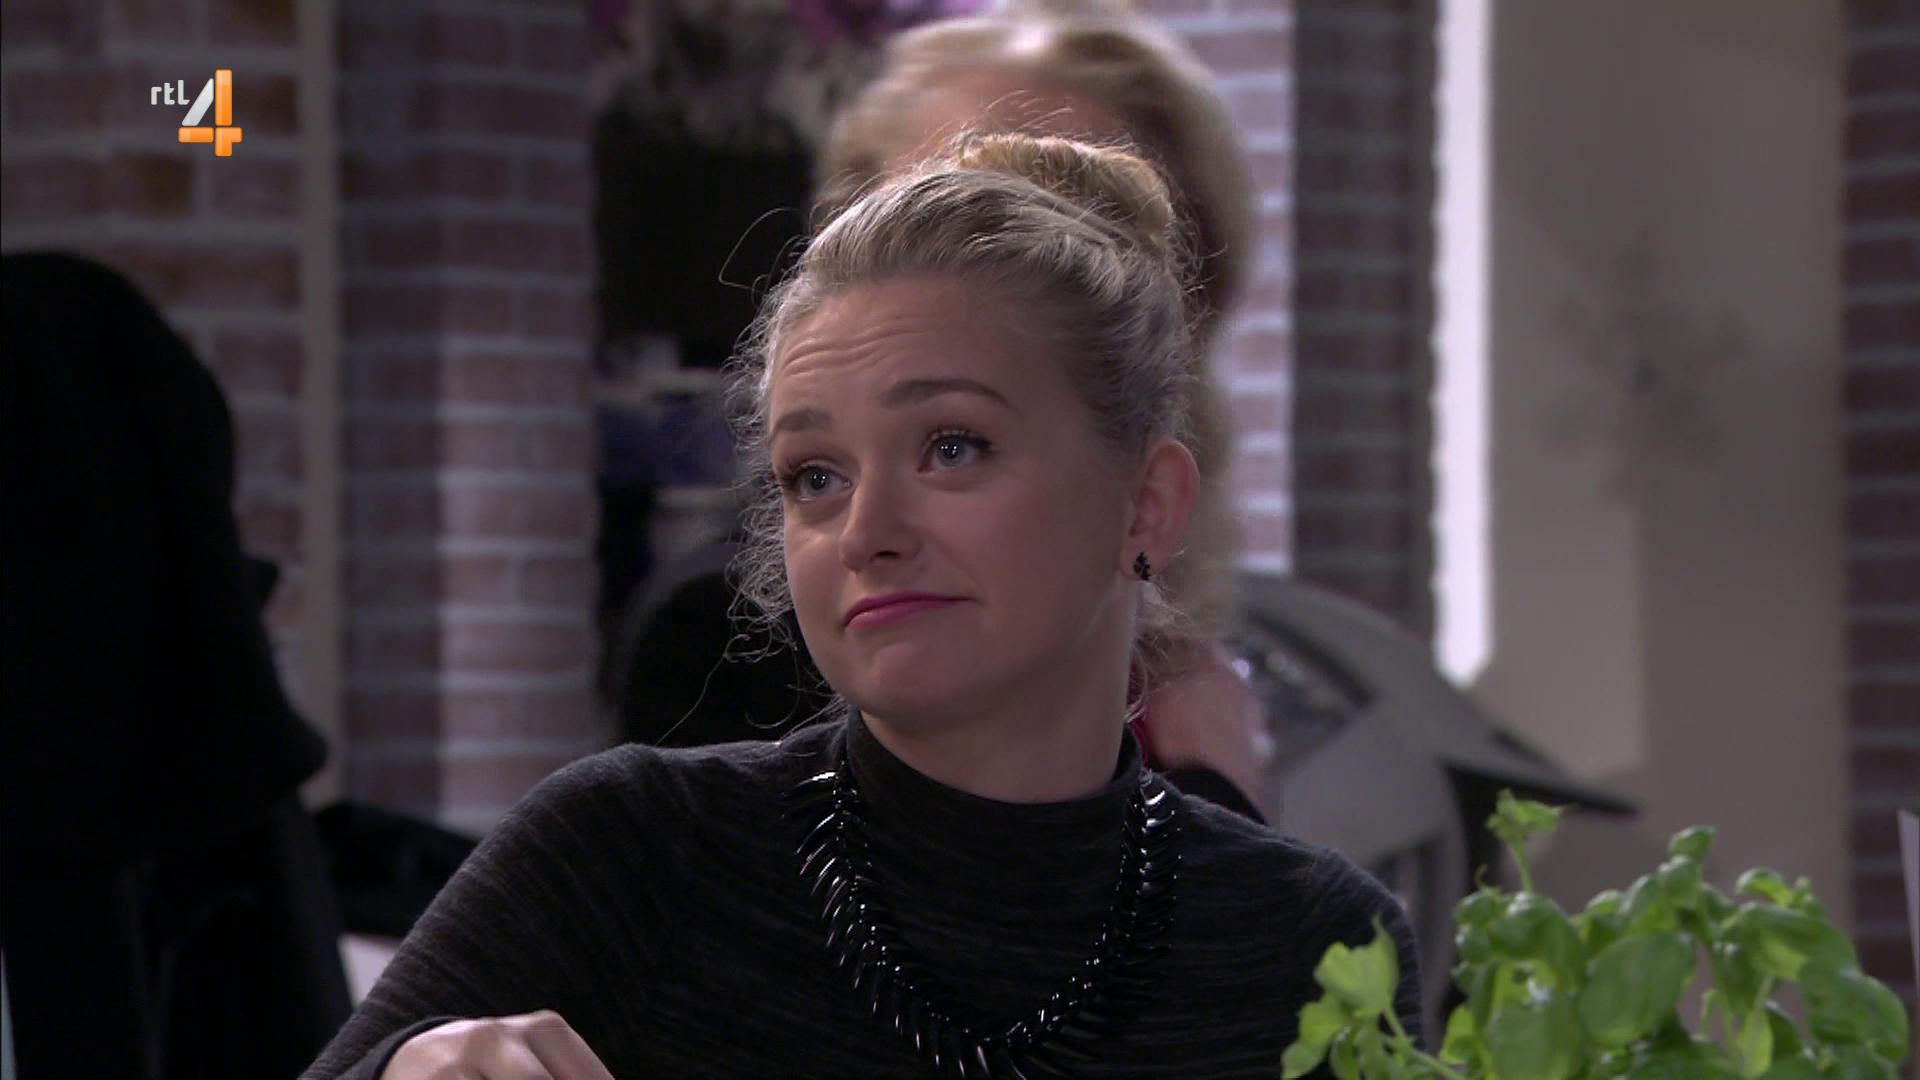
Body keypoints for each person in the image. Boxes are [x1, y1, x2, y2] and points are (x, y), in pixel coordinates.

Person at [303, 134, 1418, 1079]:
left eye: (952, 447)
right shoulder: (636, 855)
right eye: (815, 476)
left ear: (1147, 504)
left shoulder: (1310, 942)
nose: (867, 530)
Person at [613, 0, 1272, 817]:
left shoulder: (1202, 646)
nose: (996, 266)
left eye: (1070, 220)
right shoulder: (722, 643)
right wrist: (1212, 789)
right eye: (949, 207)